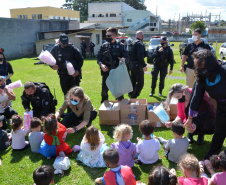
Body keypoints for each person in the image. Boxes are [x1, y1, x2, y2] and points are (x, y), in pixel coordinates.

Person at [185, 49, 226, 159]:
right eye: (196, 66)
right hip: (222, 108)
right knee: (219, 132)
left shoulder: (224, 71)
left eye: (201, 66)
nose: (198, 69)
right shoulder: (202, 77)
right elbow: (196, 98)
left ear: (210, 64)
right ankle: (211, 156)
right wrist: (190, 118)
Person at [97, 27, 129, 103]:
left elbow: (127, 57)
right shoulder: (104, 46)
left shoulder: (120, 46)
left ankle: (120, 108)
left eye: (109, 36)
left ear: (114, 36)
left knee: (119, 93)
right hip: (106, 72)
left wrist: (123, 59)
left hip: (117, 72)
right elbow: (98, 58)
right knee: (104, 92)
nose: (107, 37)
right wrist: (101, 65)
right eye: (106, 36)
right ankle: (104, 110)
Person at [129, 31, 147, 98]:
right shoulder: (140, 44)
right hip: (137, 65)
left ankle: (131, 93)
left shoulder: (131, 42)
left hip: (131, 64)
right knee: (140, 83)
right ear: (142, 36)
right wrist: (144, 65)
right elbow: (140, 56)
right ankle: (134, 96)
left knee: (133, 81)